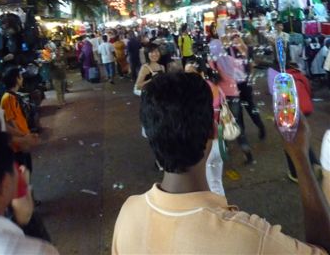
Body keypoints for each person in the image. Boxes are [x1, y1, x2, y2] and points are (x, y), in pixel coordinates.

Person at [112, 72, 330, 254]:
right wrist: (300, 156)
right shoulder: (249, 239)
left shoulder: (129, 214)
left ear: (149, 134)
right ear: (213, 131)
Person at [0, 130, 58, 254]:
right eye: (15, 167)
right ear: (3, 185)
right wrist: (24, 187)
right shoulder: (37, 251)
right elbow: (25, 214)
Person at [209, 39, 254, 164]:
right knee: (236, 124)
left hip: (220, 98)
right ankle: (246, 151)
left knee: (221, 123)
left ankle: (225, 148)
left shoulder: (212, 62)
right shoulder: (229, 59)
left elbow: (210, 79)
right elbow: (243, 71)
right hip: (234, 95)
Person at [185, 59, 224, 196]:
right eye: (186, 73)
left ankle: (218, 213)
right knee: (216, 181)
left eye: (191, 73)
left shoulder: (195, 92)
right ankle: (222, 208)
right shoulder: (215, 86)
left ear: (201, 73)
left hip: (206, 142)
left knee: (209, 184)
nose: (187, 77)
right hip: (219, 139)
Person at [0, 67, 39, 172]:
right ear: (16, 79)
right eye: (20, 77)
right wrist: (23, 138)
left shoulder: (12, 96)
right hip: (18, 144)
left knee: (28, 171)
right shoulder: (7, 98)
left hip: (23, 138)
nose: (22, 79)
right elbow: (10, 122)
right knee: (24, 172)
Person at [49, 41, 67, 107]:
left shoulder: (63, 58)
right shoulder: (52, 60)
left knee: (62, 90)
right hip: (56, 77)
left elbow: (65, 66)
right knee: (58, 91)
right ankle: (60, 102)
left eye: (60, 51)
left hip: (62, 76)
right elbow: (50, 68)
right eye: (57, 51)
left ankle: (63, 100)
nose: (59, 52)